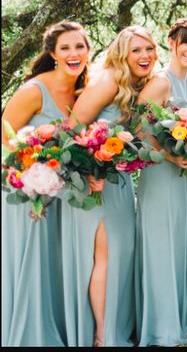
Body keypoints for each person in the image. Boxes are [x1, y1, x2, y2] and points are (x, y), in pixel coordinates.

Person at [62, 25, 158, 346]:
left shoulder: (136, 86)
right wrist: (90, 170)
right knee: (105, 255)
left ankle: (118, 324)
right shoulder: (107, 81)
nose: (144, 56)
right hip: (94, 182)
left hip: (117, 181)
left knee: (122, 252)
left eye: (149, 49)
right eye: (137, 50)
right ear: (123, 54)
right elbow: (73, 129)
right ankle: (103, 335)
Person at [1, 21, 90, 347]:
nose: (73, 53)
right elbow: (4, 139)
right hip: (26, 191)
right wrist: (32, 174)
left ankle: (62, 326)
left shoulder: (85, 89)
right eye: (65, 48)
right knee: (35, 260)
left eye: (79, 46)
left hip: (63, 191)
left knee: (57, 260)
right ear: (52, 53)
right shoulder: (33, 91)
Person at [134, 18, 187, 346]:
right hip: (163, 173)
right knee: (163, 246)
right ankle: (163, 327)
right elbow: (139, 131)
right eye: (186, 42)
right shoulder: (160, 82)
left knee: (180, 245)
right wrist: (170, 156)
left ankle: (179, 317)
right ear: (171, 41)